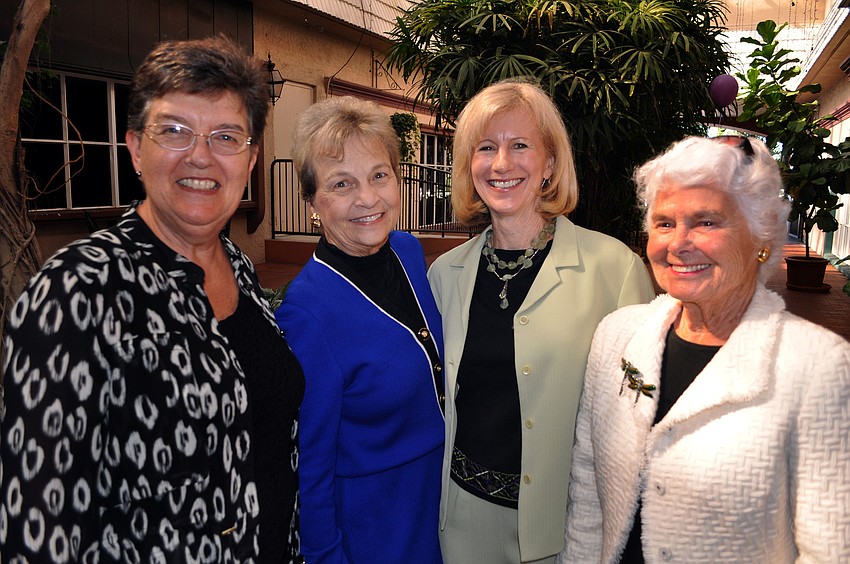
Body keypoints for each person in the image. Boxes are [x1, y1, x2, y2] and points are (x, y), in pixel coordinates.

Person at [0, 36, 305, 562]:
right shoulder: (77, 289)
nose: (201, 156)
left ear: (252, 158)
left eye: (226, 136)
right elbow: (39, 525)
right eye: (175, 130)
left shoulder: (238, 267)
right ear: (136, 148)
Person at [560, 135, 850, 563]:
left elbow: (831, 550)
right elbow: (587, 495)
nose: (678, 243)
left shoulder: (819, 365)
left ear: (762, 236)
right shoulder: (616, 336)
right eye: (664, 223)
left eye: (707, 222)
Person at [427, 79, 656, 564]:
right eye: (485, 148)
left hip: (567, 530)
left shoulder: (614, 269)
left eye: (520, 146)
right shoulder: (445, 275)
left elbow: (638, 419)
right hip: (463, 524)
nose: (501, 163)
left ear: (550, 163)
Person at [274, 96, 444, 563]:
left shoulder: (408, 253)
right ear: (313, 201)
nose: (367, 198)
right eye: (341, 183)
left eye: (379, 175)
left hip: (441, 509)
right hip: (378, 530)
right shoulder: (307, 313)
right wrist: (326, 556)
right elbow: (311, 465)